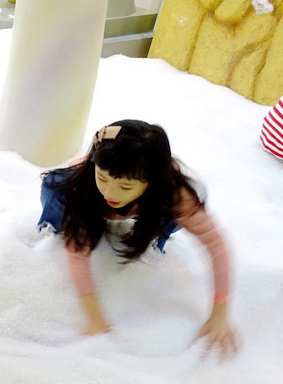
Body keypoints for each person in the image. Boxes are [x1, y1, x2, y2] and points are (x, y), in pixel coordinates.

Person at [38, 119, 239, 356]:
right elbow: (77, 254)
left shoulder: (173, 194)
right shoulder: (83, 184)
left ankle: (146, 229)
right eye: (103, 179)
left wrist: (220, 312)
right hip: (79, 191)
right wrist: (95, 318)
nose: (110, 193)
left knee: (173, 215)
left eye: (125, 187)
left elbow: (216, 245)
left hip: (152, 203)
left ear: (152, 183)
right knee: (58, 194)